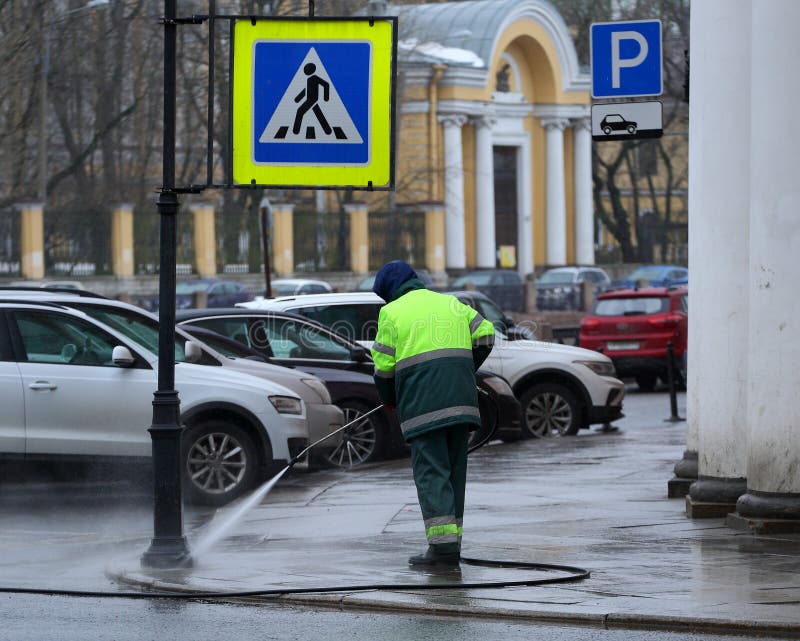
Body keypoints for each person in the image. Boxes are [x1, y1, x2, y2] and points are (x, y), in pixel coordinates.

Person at [370, 260, 495, 568]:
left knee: (431, 472)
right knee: (454, 473)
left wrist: (390, 400)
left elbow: (384, 368)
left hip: (423, 407)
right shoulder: (450, 303)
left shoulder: (392, 312)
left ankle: (442, 549)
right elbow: (487, 334)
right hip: (462, 403)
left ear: (389, 292)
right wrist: (463, 368)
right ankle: (452, 542)